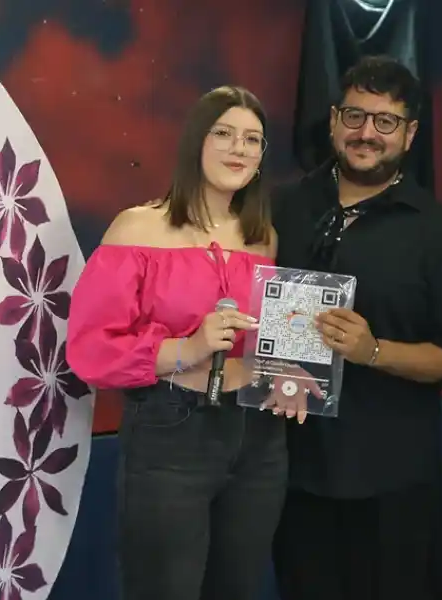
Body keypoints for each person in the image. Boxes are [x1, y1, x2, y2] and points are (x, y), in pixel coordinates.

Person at [270, 55, 442, 600]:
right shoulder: (280, 209)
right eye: (354, 116)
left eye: (385, 121)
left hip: (393, 483)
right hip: (290, 474)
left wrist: (374, 351)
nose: (366, 133)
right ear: (333, 121)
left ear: (409, 133)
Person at [66, 86, 288, 600]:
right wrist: (189, 347)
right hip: (171, 431)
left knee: (238, 587)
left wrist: (291, 370)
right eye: (224, 133)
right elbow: (91, 346)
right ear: (196, 142)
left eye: (252, 139)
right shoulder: (137, 228)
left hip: (258, 437)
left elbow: (270, 339)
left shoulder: (264, 237)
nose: (238, 148)